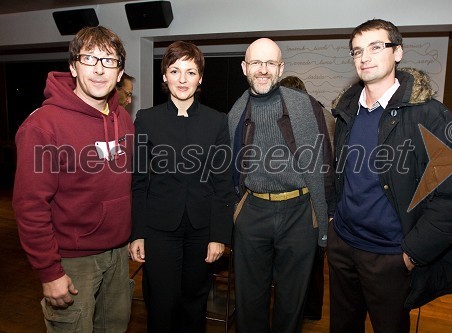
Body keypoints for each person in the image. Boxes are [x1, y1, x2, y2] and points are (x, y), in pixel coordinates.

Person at [327, 19, 452, 333]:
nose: (364, 57)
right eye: (357, 51)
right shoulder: (346, 112)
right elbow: (339, 173)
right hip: (343, 248)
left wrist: (412, 253)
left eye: (375, 47)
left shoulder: (430, 114)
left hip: (390, 256)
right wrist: (333, 220)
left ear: (398, 53)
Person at [12, 26, 134, 332]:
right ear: (73, 66)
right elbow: (30, 206)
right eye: (89, 58)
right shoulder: (43, 126)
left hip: (118, 255)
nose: (98, 69)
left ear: (119, 73)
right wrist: (49, 271)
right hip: (72, 260)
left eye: (108, 61)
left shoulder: (123, 119)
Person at [228, 38, 333, 333]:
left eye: (270, 63)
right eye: (256, 63)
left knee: (292, 301)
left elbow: (325, 161)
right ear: (244, 67)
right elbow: (229, 169)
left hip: (300, 213)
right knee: (249, 300)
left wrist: (325, 216)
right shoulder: (235, 113)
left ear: (281, 67)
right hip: (253, 212)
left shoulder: (306, 106)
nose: (263, 70)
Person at [129, 41, 234, 333]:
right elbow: (138, 182)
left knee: (194, 302)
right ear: (164, 76)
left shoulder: (217, 121)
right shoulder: (147, 120)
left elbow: (223, 183)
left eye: (190, 72)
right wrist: (137, 232)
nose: (183, 79)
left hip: (201, 230)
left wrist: (219, 236)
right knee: (161, 303)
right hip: (159, 229)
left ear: (200, 78)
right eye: (175, 71)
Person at [279, 75, 335, 321]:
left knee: (300, 261)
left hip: (308, 197)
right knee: (314, 259)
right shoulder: (326, 113)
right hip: (323, 195)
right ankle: (311, 309)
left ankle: (296, 309)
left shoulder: (307, 115)